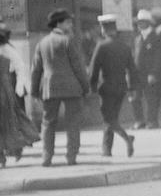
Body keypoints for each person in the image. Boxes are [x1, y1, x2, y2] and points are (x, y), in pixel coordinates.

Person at [30, 9, 89, 166]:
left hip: (50, 88)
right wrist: (86, 86)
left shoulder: (42, 43)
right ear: (59, 23)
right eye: (68, 22)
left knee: (48, 123)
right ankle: (71, 156)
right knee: (73, 122)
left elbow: (36, 70)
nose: (70, 25)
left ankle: (47, 157)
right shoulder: (68, 41)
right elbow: (78, 67)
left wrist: (34, 91)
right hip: (71, 87)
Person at [88, 14, 136, 158]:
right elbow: (132, 69)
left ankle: (127, 138)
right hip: (121, 88)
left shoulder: (101, 46)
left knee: (108, 119)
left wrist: (92, 87)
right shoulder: (125, 47)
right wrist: (132, 88)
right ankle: (107, 149)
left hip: (106, 88)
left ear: (103, 29)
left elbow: (94, 69)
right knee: (112, 117)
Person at [0, 23, 40, 165]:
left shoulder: (7, 50)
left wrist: (20, 86)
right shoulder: (8, 49)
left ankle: (13, 150)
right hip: (5, 87)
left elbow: (20, 67)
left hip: (4, 89)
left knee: (9, 119)